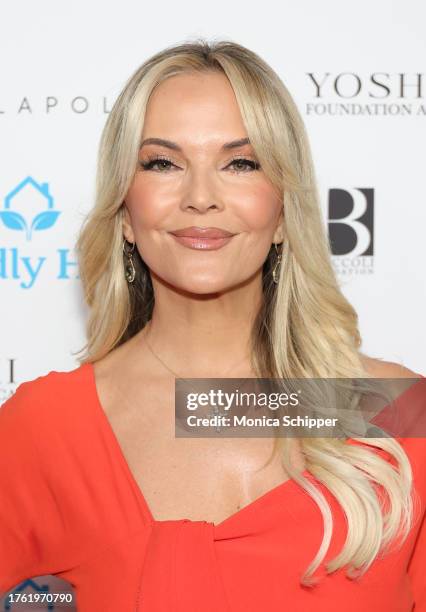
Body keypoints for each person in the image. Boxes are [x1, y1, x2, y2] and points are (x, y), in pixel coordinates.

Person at [0, 39, 425, 611]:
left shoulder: (396, 412)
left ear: (282, 213)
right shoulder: (43, 429)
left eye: (240, 163)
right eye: (163, 163)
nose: (201, 197)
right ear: (125, 212)